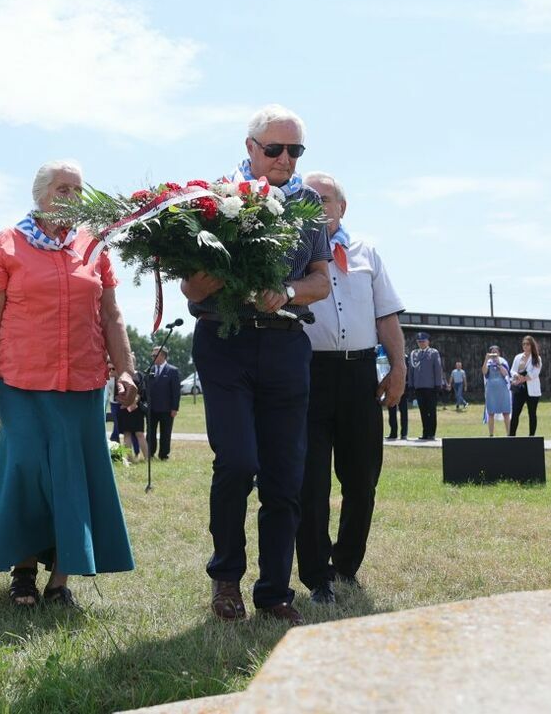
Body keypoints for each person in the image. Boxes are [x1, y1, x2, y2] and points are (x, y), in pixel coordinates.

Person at [183, 105, 331, 627]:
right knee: (238, 462)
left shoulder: (309, 203)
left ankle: (273, 592)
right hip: (226, 342)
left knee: (284, 476)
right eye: (275, 149)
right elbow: (192, 288)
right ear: (250, 148)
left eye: (295, 151)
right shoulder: (212, 199)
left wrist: (286, 290)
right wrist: (234, 275)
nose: (285, 159)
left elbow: (322, 281)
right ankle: (226, 580)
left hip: (287, 344)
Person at [0, 159, 137, 608]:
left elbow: (111, 315)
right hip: (21, 381)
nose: (73, 198)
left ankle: (60, 580)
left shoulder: (94, 246)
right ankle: (23, 571)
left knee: (73, 476)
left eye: (78, 191)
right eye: (63, 189)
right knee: (26, 471)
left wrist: (124, 369)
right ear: (41, 196)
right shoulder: (7, 244)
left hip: (83, 382)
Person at [296, 172, 406, 604]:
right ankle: (317, 575)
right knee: (312, 481)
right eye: (309, 199)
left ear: (342, 207)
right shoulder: (292, 251)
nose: (317, 205)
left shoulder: (367, 253)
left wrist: (398, 367)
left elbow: (387, 317)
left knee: (362, 478)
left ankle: (346, 565)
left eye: (325, 199)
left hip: (360, 376)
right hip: (309, 375)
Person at [407, 332, 445, 441]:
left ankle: (431, 433)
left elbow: (437, 369)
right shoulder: (414, 354)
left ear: (428, 341)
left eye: (423, 341)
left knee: (431, 411)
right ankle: (425, 432)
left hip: (431, 387)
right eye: (419, 342)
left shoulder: (433, 353)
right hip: (419, 387)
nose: (421, 343)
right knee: (423, 411)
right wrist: (411, 385)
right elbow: (411, 371)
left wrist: (438, 384)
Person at [145, 347, 181, 461]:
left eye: (155, 355)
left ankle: (164, 455)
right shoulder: (149, 370)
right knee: (150, 433)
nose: (152, 357)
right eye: (152, 355)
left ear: (163, 356)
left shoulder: (173, 371)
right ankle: (150, 454)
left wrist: (174, 408)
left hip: (167, 409)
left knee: (165, 433)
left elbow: (176, 391)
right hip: (151, 409)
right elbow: (145, 389)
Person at [509, 336, 543, 436]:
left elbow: (535, 373)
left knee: (532, 414)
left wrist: (522, 379)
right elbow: (512, 370)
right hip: (519, 389)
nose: (525, 346)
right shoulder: (518, 357)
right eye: (523, 344)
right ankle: (511, 436)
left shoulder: (537, 358)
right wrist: (516, 376)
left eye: (527, 344)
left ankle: (531, 436)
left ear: (531, 345)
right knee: (515, 413)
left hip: (531, 389)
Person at [117, 370, 148, 464]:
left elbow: (141, 391)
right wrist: (126, 404)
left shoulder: (139, 375)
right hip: (124, 408)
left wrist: (133, 403)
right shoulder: (121, 375)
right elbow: (117, 391)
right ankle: (129, 458)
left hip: (136, 409)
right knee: (127, 434)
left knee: (140, 434)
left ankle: (147, 458)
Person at [482, 346, 512, 436]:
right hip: (491, 390)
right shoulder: (488, 363)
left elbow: (506, 374)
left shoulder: (503, 362)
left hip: (502, 390)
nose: (494, 355)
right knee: (491, 412)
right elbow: (484, 372)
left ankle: (509, 433)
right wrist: (486, 360)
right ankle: (491, 434)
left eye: (496, 352)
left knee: (506, 412)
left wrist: (499, 364)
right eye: (492, 352)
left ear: (499, 353)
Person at [387, 353, 411, 440]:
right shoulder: (388, 357)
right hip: (391, 387)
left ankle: (404, 433)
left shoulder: (405, 358)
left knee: (403, 411)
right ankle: (393, 433)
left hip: (402, 388)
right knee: (391, 411)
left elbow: (408, 373)